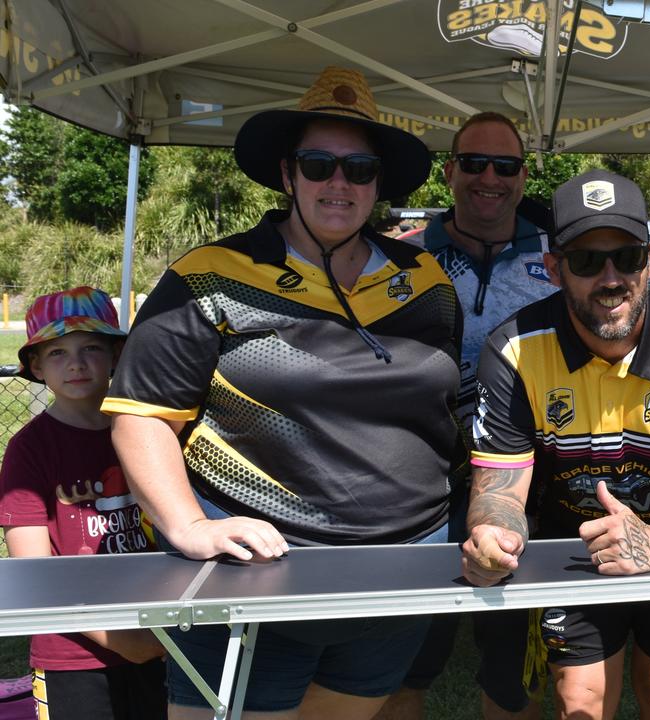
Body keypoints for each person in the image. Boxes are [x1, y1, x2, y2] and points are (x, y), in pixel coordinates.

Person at [101, 66, 461, 720]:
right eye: (318, 164)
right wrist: (187, 527)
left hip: (401, 582)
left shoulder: (426, 279)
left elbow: (433, 409)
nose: (338, 183)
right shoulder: (211, 277)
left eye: (359, 168)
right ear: (287, 174)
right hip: (256, 581)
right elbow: (141, 416)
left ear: (379, 184)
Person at [461, 169, 650, 720]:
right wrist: (492, 534)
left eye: (625, 258)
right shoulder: (513, 350)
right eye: (584, 261)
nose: (610, 278)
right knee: (580, 701)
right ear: (553, 269)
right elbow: (499, 490)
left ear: (649, 259)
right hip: (570, 549)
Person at [379, 112, 558, 720]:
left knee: (512, 666)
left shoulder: (558, 255)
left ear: (522, 175)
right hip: (421, 477)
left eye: (504, 167)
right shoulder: (399, 258)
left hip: (524, 477)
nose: (489, 178)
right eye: (474, 164)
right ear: (449, 170)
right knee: (403, 659)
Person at [0, 286, 167, 719]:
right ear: (35, 366)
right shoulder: (29, 448)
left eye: (91, 347)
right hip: (73, 654)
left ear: (116, 354)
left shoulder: (151, 433)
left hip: (162, 640)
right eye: (57, 353)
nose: (76, 363)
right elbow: (34, 571)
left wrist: (154, 637)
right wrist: (121, 641)